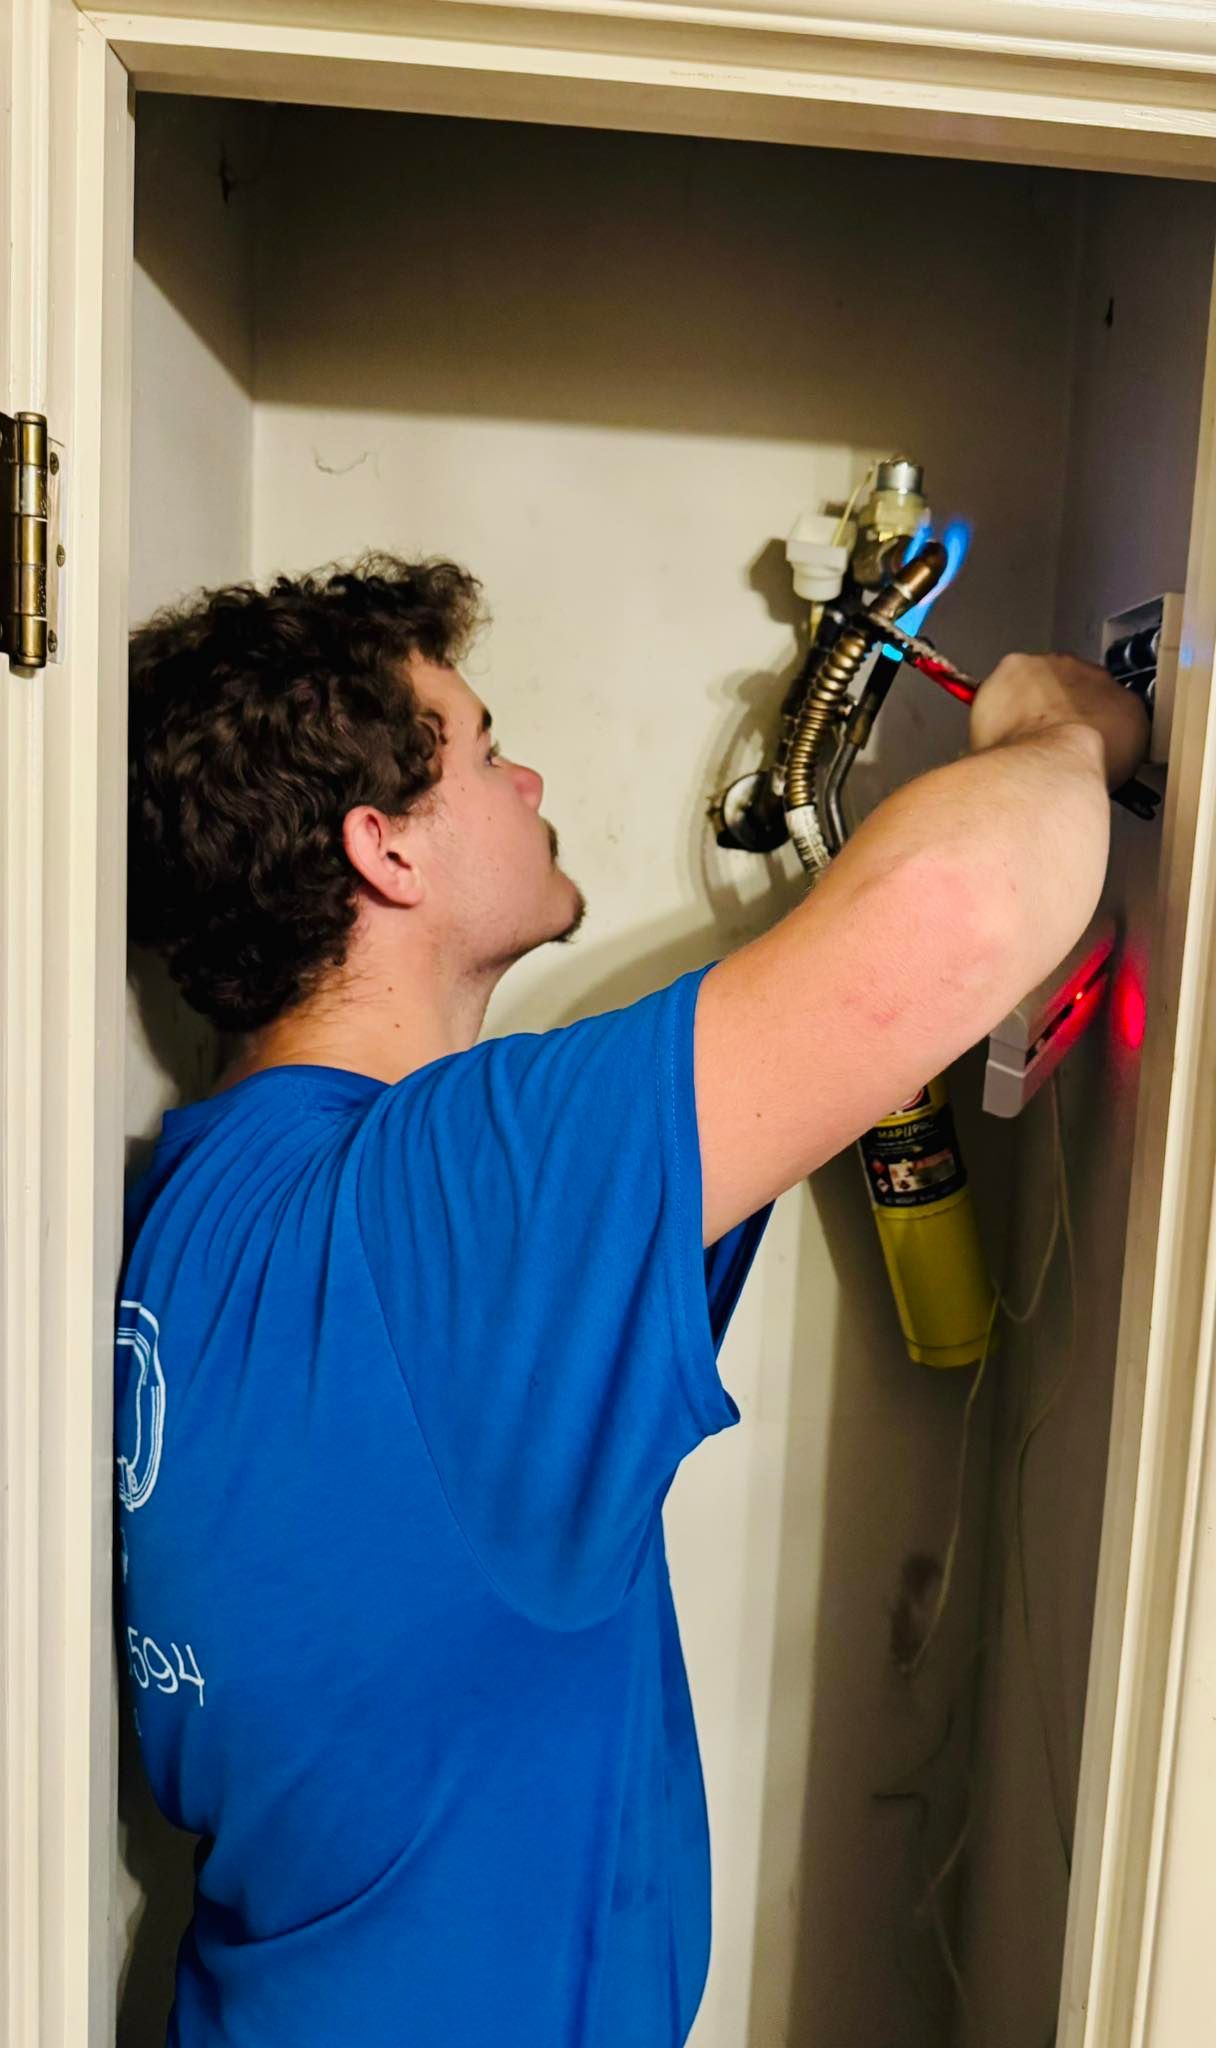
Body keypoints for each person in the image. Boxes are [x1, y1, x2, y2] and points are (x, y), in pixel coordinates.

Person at [117, 553, 1147, 2048]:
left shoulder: (218, 1196)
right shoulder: (444, 1219)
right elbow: (952, 914)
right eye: (482, 748)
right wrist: (1067, 731)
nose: (525, 774)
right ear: (384, 852)